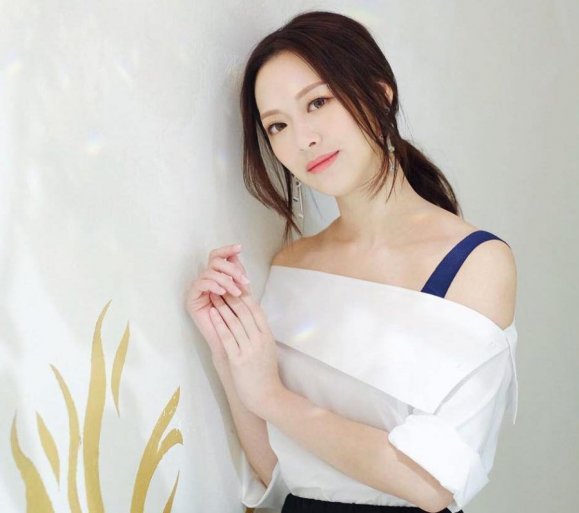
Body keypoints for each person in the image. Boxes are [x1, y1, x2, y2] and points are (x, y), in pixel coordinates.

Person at [185, 10, 518, 513]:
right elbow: (278, 472)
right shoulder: (293, 266)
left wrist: (271, 396)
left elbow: (433, 484)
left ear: (380, 95)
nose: (303, 139)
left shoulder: (476, 263)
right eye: (278, 125)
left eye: (318, 102)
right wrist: (226, 350)